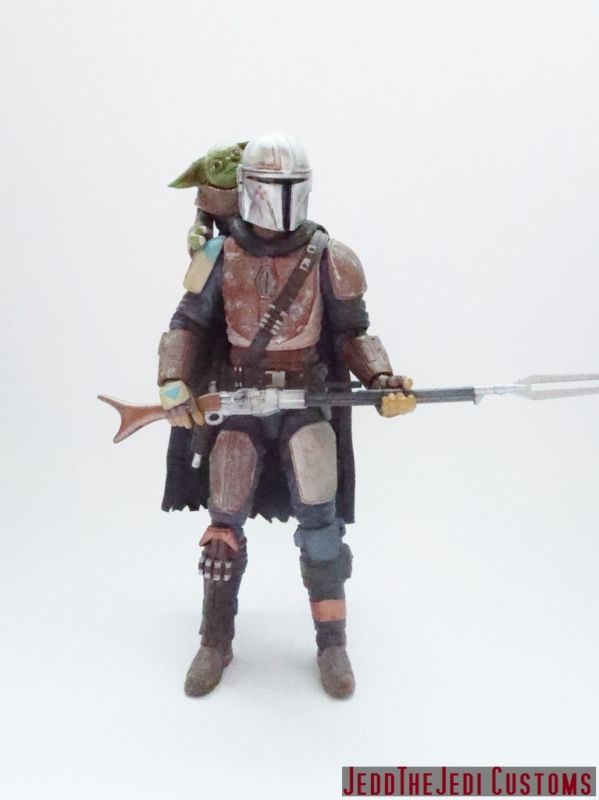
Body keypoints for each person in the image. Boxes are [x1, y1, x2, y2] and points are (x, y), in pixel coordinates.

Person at [157, 131, 416, 699]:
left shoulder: (331, 257)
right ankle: (214, 640)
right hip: (239, 404)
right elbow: (188, 323)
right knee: (223, 528)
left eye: (291, 187)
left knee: (322, 529)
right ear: (247, 190)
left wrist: (381, 379)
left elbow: (352, 333)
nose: (281, 199)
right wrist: (174, 381)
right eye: (271, 187)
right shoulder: (217, 255)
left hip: (306, 402)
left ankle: (332, 644)